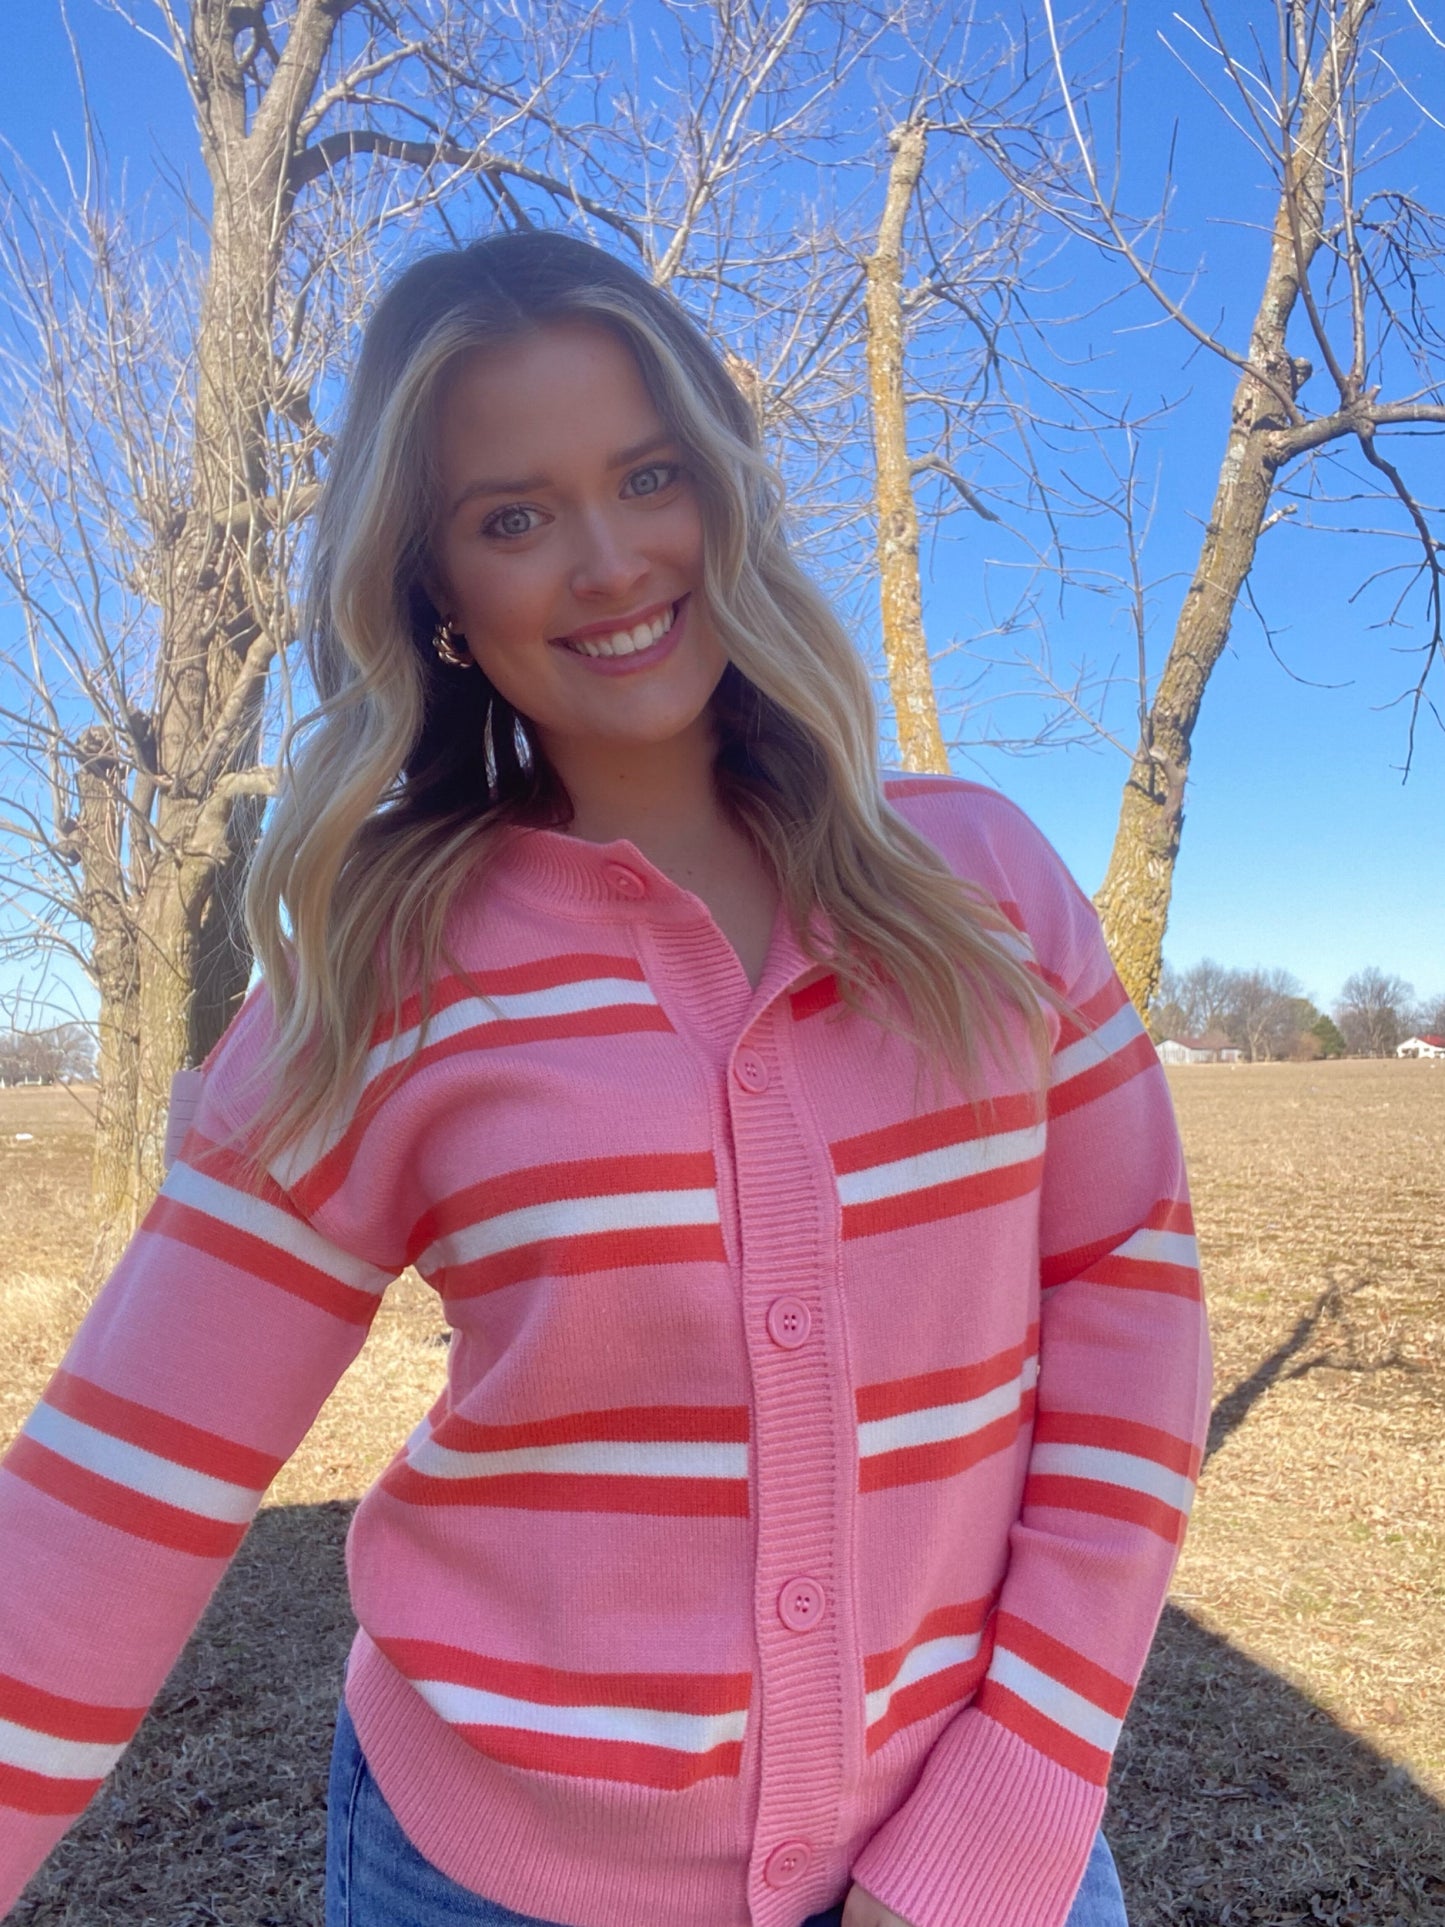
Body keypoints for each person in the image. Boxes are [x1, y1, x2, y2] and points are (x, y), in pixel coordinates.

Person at [0, 231, 1211, 1927]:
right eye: (512, 515)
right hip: (489, 1879)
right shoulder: (380, 968)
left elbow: (1129, 1313)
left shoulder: (985, 888)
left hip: (989, 1844)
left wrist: (1014, 1793)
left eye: (648, 476)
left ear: (720, 492)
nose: (607, 558)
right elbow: (108, 1504)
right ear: (432, 590)